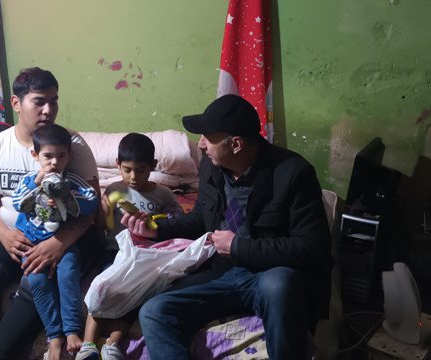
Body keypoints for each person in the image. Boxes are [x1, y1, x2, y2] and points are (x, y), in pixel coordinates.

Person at [122, 94, 332, 360]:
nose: (200, 145)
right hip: (221, 273)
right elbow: (201, 218)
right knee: (154, 311)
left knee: (279, 285)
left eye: (208, 138)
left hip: (266, 274)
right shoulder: (212, 166)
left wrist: (237, 246)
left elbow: (313, 248)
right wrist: (157, 230)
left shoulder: (293, 173)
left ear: (235, 144)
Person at [0, 67, 101, 360]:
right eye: (39, 101)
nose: (49, 110)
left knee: (6, 346)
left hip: (58, 237)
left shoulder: (70, 145)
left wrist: (59, 243)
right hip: (9, 234)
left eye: (55, 101)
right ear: (16, 103)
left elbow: (92, 207)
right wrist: (4, 235)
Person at [77, 133, 184, 360]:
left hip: (144, 255)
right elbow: (101, 225)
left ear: (153, 166)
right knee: (102, 289)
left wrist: (160, 220)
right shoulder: (114, 191)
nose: (133, 177)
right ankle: (88, 345)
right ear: (118, 165)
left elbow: (178, 220)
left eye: (141, 170)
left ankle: (112, 345)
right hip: (114, 251)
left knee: (135, 294)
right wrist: (102, 218)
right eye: (127, 170)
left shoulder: (162, 193)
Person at [11, 124, 98, 359]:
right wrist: (36, 183)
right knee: (37, 280)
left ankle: (71, 330)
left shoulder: (72, 179)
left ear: (69, 156)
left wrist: (66, 194)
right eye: (48, 156)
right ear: (35, 155)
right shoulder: (30, 179)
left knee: (67, 273)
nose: (54, 162)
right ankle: (55, 336)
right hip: (33, 242)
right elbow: (17, 203)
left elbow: (92, 201)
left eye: (61, 156)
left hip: (64, 242)